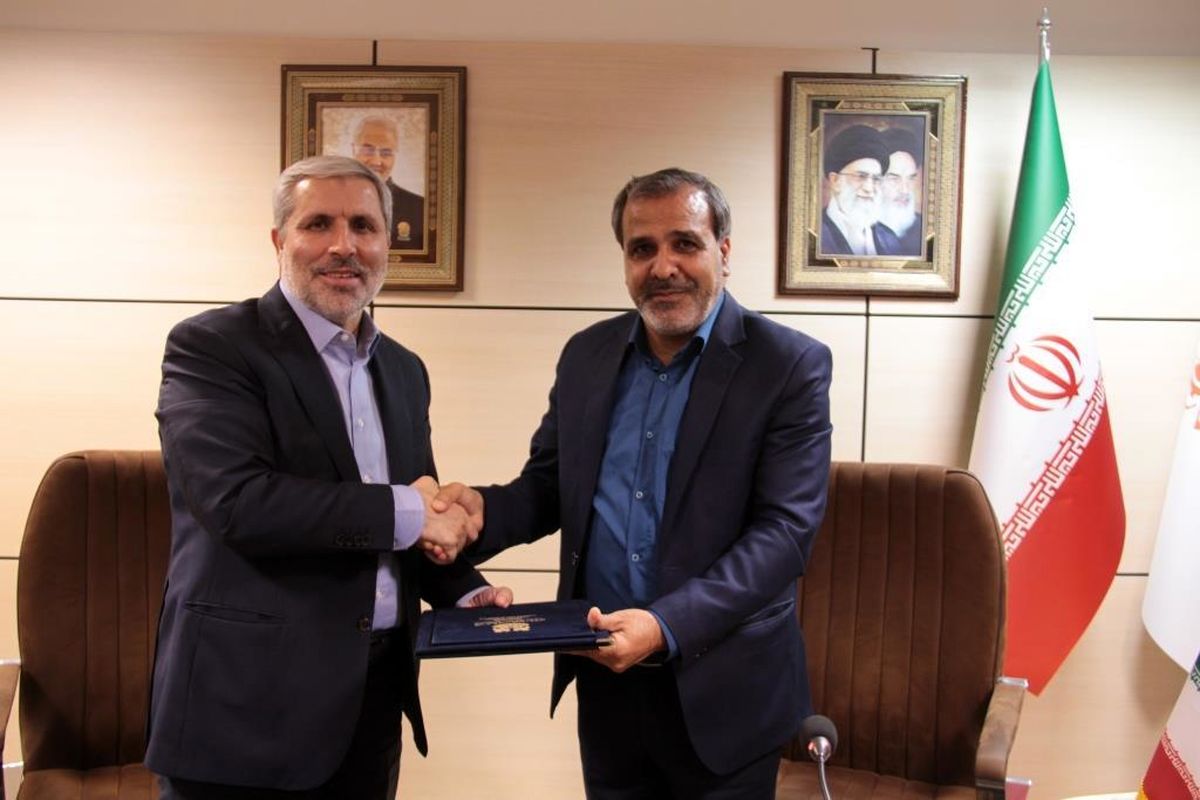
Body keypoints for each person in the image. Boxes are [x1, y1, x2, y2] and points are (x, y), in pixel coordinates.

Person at [438, 168, 833, 797]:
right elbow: (550, 487)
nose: (663, 266)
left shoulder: (788, 365)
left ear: (723, 251)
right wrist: (481, 512)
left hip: (727, 691)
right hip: (607, 681)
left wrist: (664, 624)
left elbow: (784, 534)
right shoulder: (586, 356)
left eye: (685, 243)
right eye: (642, 248)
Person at [146, 155, 510, 799]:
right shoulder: (214, 347)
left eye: (364, 227)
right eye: (319, 224)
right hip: (243, 710)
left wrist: (463, 593)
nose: (344, 245)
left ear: (387, 245)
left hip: (370, 706)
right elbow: (239, 503)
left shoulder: (404, 370)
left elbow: (412, 514)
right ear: (279, 240)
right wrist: (414, 513)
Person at [819, 123, 897, 257]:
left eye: (876, 179)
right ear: (835, 181)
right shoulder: (816, 235)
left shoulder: (889, 239)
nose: (869, 188)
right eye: (861, 176)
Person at [351, 114, 426, 252]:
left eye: (386, 152)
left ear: (395, 155)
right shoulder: (331, 203)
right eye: (368, 150)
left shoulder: (420, 209)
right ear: (353, 150)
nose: (376, 161)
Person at [875, 126, 926, 257]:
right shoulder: (858, 231)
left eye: (911, 178)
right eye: (894, 178)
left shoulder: (924, 228)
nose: (905, 190)